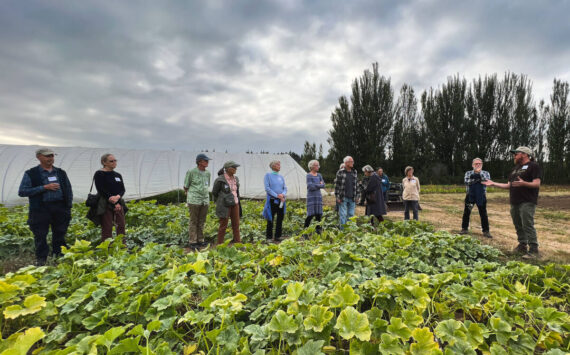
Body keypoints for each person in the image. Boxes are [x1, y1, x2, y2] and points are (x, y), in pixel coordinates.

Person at [483, 146, 542, 257]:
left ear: (524, 154)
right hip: (515, 201)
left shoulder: (533, 166)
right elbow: (509, 185)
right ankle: (522, 245)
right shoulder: (515, 169)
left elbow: (537, 183)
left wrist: (524, 183)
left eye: (516, 153)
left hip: (527, 201)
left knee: (527, 224)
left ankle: (534, 249)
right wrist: (493, 183)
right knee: (518, 224)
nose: (514, 155)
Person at [18, 148, 73, 265]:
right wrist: (44, 187)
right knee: (40, 235)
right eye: (47, 156)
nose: (50, 158)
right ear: (39, 157)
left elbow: (68, 189)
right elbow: (23, 191)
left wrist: (68, 206)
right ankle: (42, 260)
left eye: (52, 156)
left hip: (60, 208)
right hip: (40, 209)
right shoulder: (31, 173)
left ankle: (59, 256)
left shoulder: (61, 173)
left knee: (60, 233)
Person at [94, 153, 127, 242]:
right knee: (107, 227)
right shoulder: (99, 174)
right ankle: (107, 249)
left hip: (118, 203)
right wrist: (113, 200)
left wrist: (118, 197)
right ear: (104, 162)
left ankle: (122, 247)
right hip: (105, 203)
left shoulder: (118, 175)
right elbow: (101, 189)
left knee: (121, 226)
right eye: (111, 161)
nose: (114, 162)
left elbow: (122, 189)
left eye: (115, 160)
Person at [184, 153, 211, 249]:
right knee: (194, 221)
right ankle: (193, 241)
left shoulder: (208, 173)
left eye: (207, 161)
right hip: (194, 200)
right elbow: (186, 186)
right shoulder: (191, 172)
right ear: (199, 162)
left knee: (201, 221)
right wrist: (189, 197)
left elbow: (207, 185)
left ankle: (200, 240)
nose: (207, 162)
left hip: (204, 200)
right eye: (205, 160)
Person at [460, 158, 492, 238]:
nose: (478, 165)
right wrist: (478, 179)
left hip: (481, 196)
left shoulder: (486, 173)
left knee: (483, 213)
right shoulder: (468, 173)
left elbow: (486, 182)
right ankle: (464, 229)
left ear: (482, 164)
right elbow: (467, 182)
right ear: (472, 165)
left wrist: (477, 175)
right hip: (470, 195)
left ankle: (486, 231)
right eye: (476, 164)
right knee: (467, 212)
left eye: (479, 164)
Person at [212, 161, 241, 245]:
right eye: (234, 167)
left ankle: (238, 242)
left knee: (236, 224)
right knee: (223, 225)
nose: (236, 169)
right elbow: (215, 192)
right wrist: (222, 200)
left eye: (236, 167)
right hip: (224, 205)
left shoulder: (236, 179)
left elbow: (237, 191)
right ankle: (220, 244)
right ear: (228, 169)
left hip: (235, 204)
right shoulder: (220, 180)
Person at [263, 160, 287, 241]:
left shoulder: (281, 177)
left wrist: (282, 194)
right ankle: (269, 237)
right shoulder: (268, 175)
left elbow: (285, 188)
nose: (279, 166)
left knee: (280, 218)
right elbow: (267, 188)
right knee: (270, 218)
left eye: (279, 164)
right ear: (273, 166)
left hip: (281, 200)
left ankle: (278, 236)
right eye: (277, 164)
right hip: (273, 200)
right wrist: (277, 195)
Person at [334, 156, 357, 228]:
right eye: (351, 161)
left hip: (352, 196)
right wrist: (337, 197)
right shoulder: (340, 172)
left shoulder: (354, 172)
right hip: (343, 197)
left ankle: (349, 230)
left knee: (351, 214)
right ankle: (343, 231)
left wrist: (358, 196)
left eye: (353, 161)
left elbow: (356, 185)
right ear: (346, 163)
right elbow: (337, 186)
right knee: (343, 215)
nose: (353, 163)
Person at [304, 160, 325, 234]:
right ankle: (305, 230)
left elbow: (323, 185)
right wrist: (319, 185)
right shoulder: (308, 175)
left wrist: (316, 185)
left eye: (318, 165)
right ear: (312, 166)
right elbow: (310, 187)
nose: (318, 167)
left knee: (318, 214)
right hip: (311, 197)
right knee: (310, 214)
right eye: (316, 165)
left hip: (318, 196)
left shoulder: (319, 175)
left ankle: (318, 230)